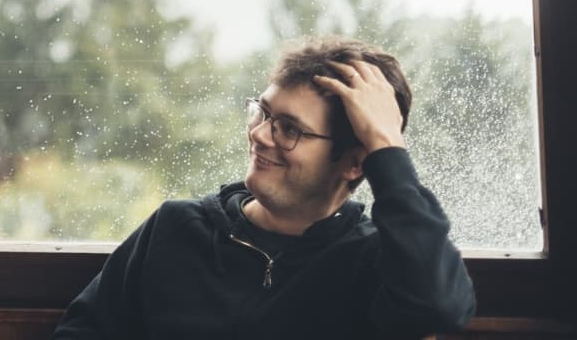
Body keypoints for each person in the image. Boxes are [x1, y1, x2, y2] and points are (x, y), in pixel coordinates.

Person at [52, 37, 476, 339]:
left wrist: (387, 148)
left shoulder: (375, 262)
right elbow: (82, 331)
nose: (259, 135)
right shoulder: (175, 227)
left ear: (355, 162)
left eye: (289, 129)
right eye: (263, 113)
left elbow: (440, 306)